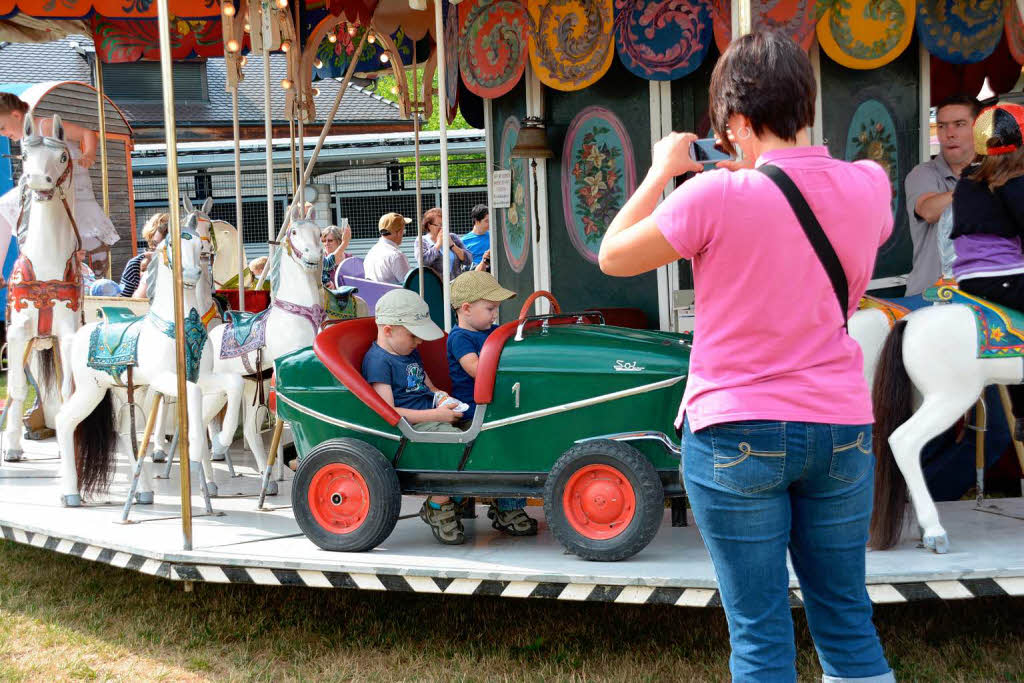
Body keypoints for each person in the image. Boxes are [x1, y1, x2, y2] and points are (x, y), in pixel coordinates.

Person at [599, 31, 892, 682]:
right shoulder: (871, 185)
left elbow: (612, 254)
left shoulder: (712, 197)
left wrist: (660, 170)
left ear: (732, 119)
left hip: (736, 429)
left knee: (760, 636)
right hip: (841, 427)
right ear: (804, 104)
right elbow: (821, 230)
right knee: (846, 618)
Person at [362, 288, 466, 544]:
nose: (419, 342)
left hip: (431, 413)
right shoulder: (378, 362)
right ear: (388, 330)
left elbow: (426, 385)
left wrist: (440, 396)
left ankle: (459, 494)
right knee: (454, 444)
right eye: (413, 335)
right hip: (411, 428)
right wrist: (436, 415)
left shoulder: (409, 351)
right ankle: (438, 505)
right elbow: (389, 412)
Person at [950, 103, 1024, 439]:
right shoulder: (1013, 182)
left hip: (970, 279)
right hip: (1004, 273)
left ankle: (1022, 411)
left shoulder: (967, 180)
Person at [446, 271, 538, 536]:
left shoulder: (492, 331)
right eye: (490, 308)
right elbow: (476, 370)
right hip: (476, 409)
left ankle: (508, 504)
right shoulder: (460, 338)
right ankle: (507, 507)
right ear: (466, 308)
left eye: (496, 308)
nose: (495, 314)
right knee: (510, 443)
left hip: (496, 403)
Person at [0, 93, 120, 274]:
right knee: (4, 208)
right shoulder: (26, 139)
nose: (3, 134)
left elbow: (86, 133)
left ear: (16, 115)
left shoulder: (45, 125)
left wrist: (88, 154)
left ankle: (90, 247)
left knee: (75, 220)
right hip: (41, 189)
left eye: (2, 128)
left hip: (68, 183)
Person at [904, 94, 981, 296]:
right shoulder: (923, 173)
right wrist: (978, 184)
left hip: (984, 297)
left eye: (959, 124)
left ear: (978, 128)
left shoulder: (998, 174)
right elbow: (928, 210)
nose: (949, 133)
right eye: (942, 126)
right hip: (929, 298)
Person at [415, 207, 476, 279]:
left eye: (444, 224)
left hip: (456, 285)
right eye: (439, 225)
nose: (442, 228)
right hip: (435, 285)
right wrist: (438, 244)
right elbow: (423, 262)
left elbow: (469, 260)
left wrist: (452, 245)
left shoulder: (453, 237)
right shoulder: (422, 241)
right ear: (429, 226)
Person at [364, 212, 412, 285]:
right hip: (394, 295)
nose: (403, 234)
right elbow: (410, 285)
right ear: (399, 232)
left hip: (375, 295)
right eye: (403, 231)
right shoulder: (396, 256)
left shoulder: (371, 252)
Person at [461, 204, 491, 269]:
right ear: (477, 221)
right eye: (486, 221)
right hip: (473, 274)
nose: (490, 223)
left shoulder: (493, 237)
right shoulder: (463, 241)